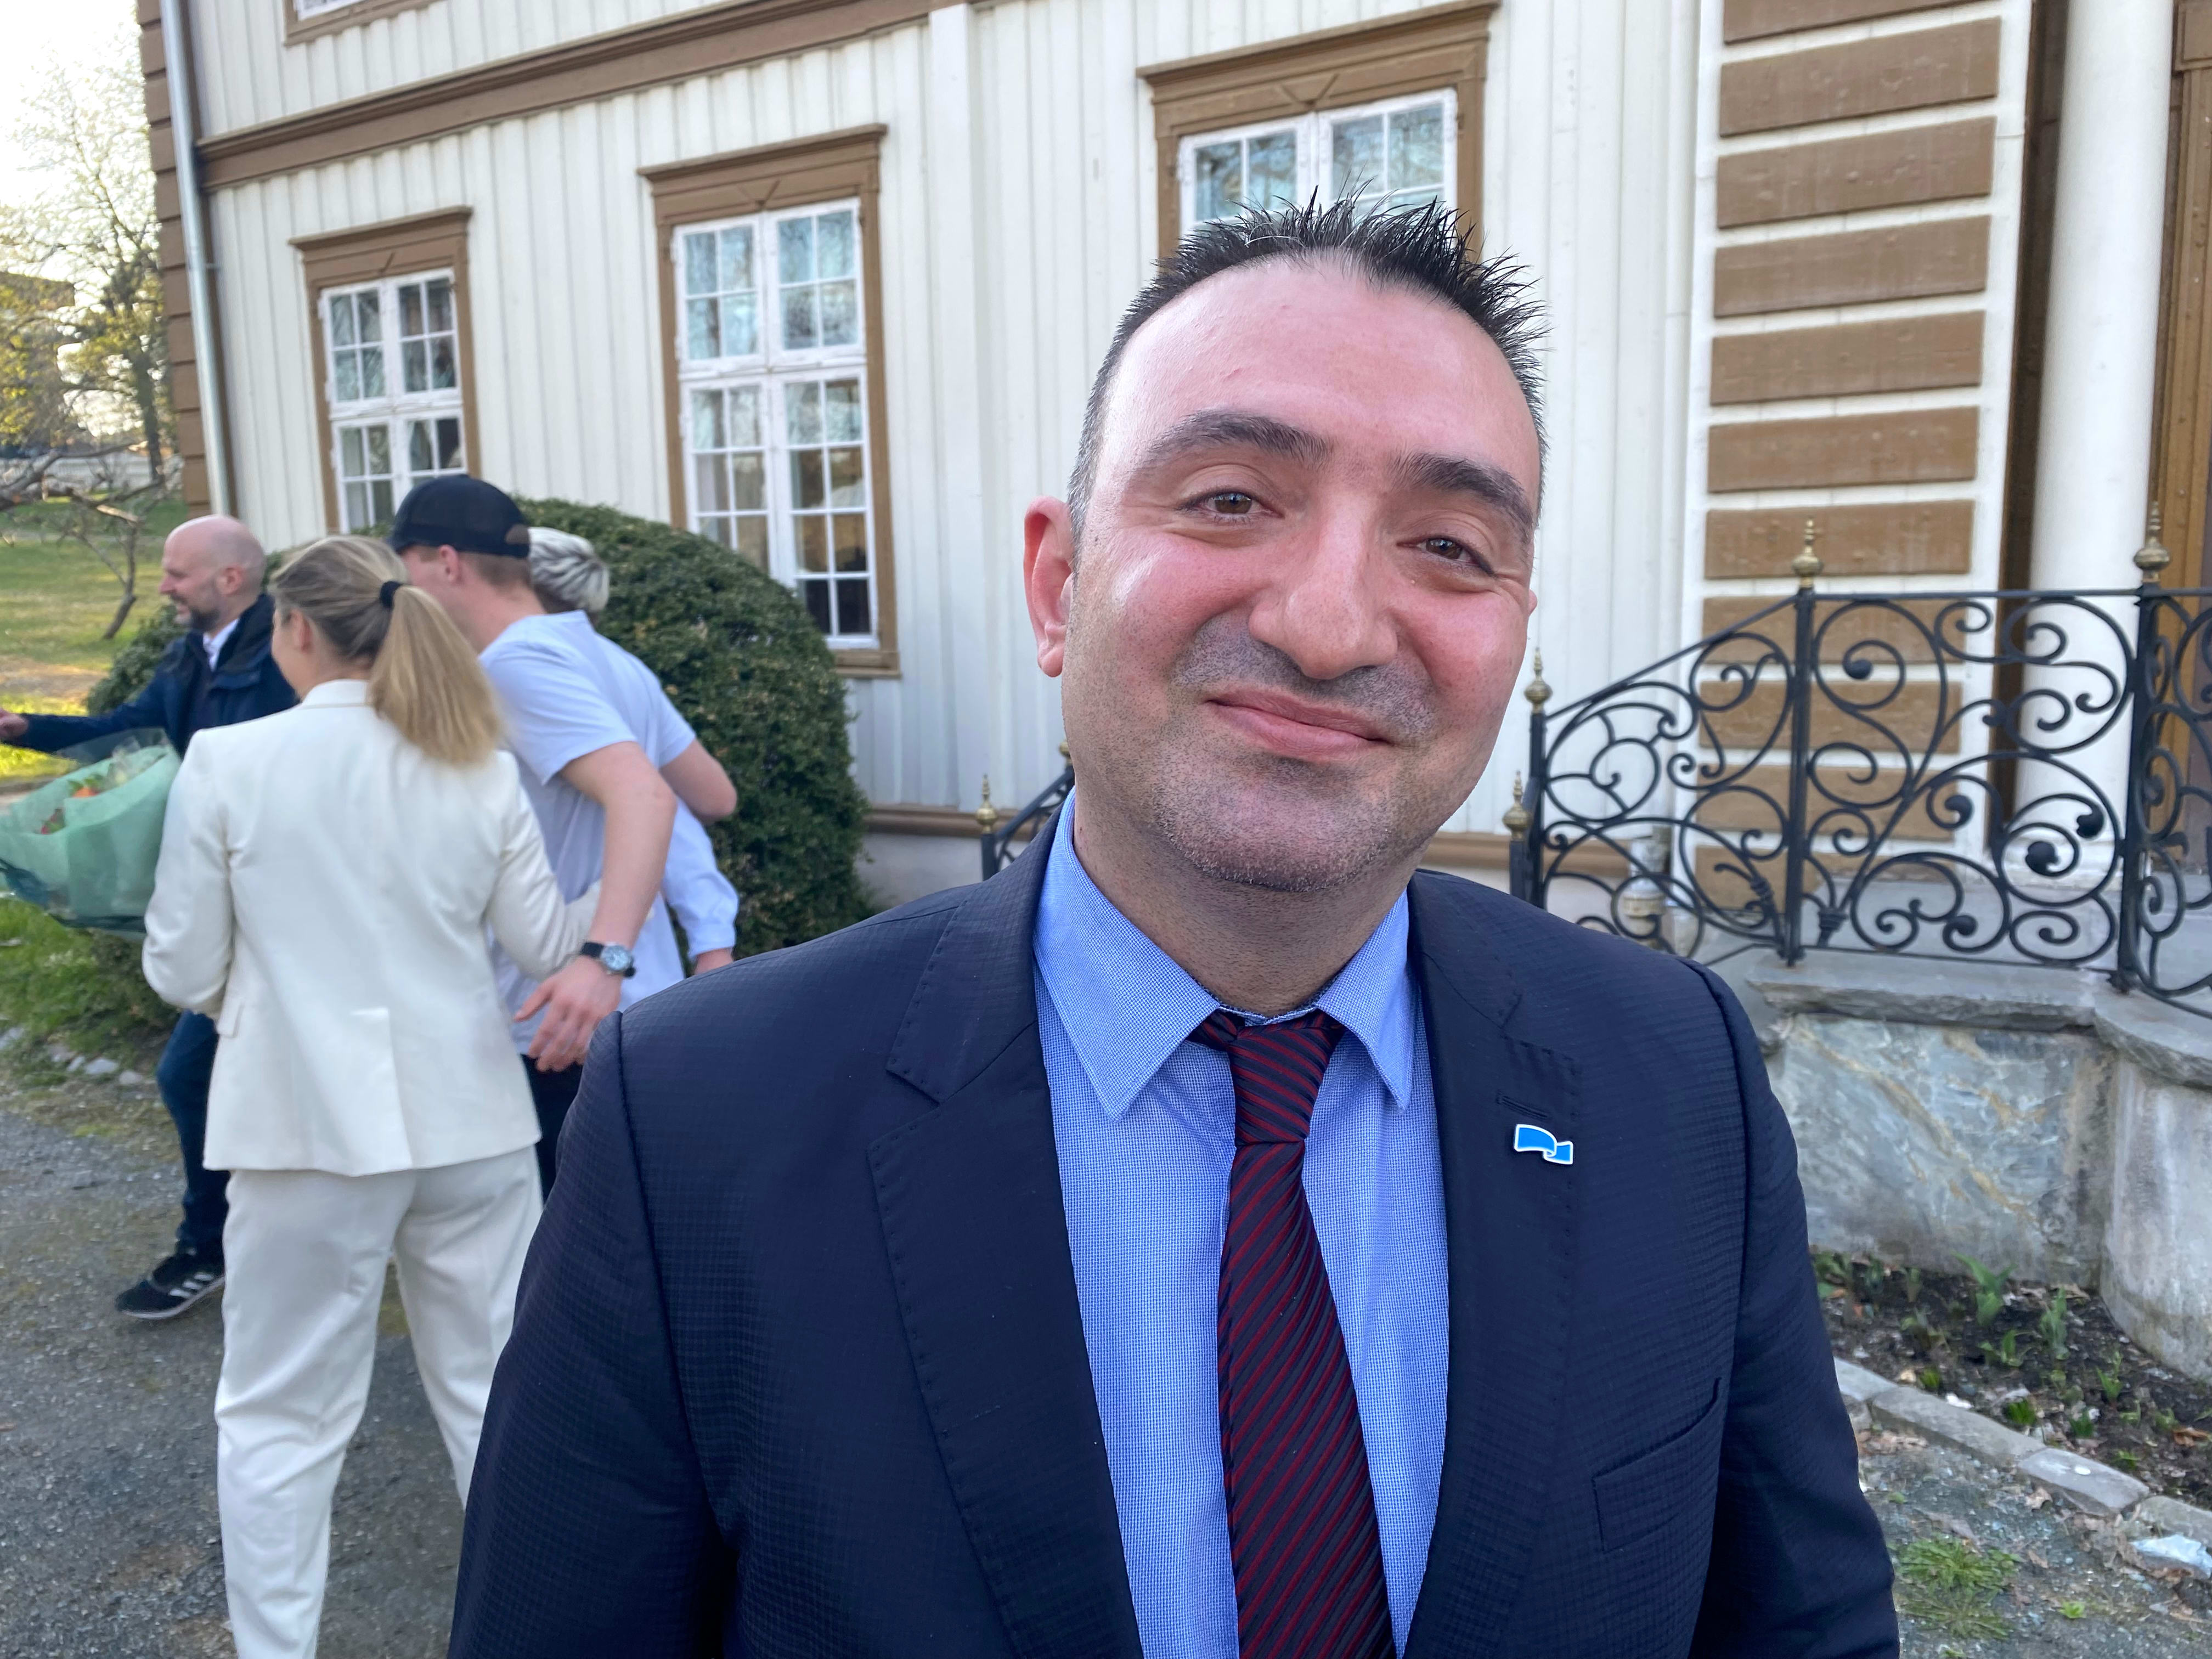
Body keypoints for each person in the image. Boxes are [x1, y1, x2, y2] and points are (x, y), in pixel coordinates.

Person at [452, 201, 1899, 1657]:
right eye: (1228, 499)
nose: (1331, 626)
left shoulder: (1673, 1075)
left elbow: (1805, 1627)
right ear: (1056, 584)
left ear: (1517, 623)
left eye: (1450, 544)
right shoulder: (699, 1125)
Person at [139, 536, 596, 1659]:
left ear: (295, 627)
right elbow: (547, 943)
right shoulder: (474, 763)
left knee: (280, 1417)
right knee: (497, 1399)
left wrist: (259, 992)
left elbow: (182, 968)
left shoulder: (230, 762)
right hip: (472, 1123)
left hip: (300, 1125)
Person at [0, 514, 294, 1321]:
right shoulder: (191, 654)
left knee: (190, 1074)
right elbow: (128, 730)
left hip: (279, 911)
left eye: (176, 573)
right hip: (224, 907)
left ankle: (218, 1247)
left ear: (230, 578)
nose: (163, 587)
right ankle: (239, 1240)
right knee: (211, 1076)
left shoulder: (289, 653)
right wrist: (26, 728)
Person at [389, 478, 682, 1192]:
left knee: (561, 1242)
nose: (400, 596)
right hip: (623, 1011)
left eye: (404, 571)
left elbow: (645, 794)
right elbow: (708, 791)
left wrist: (602, 962)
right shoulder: (605, 657)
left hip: (562, 1019)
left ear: (445, 562)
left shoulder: (513, 665)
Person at [526, 526, 741, 979]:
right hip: (644, 974)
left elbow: (654, 799)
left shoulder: (526, 672)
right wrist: (712, 940)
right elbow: (709, 798)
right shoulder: (628, 669)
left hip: (563, 981)